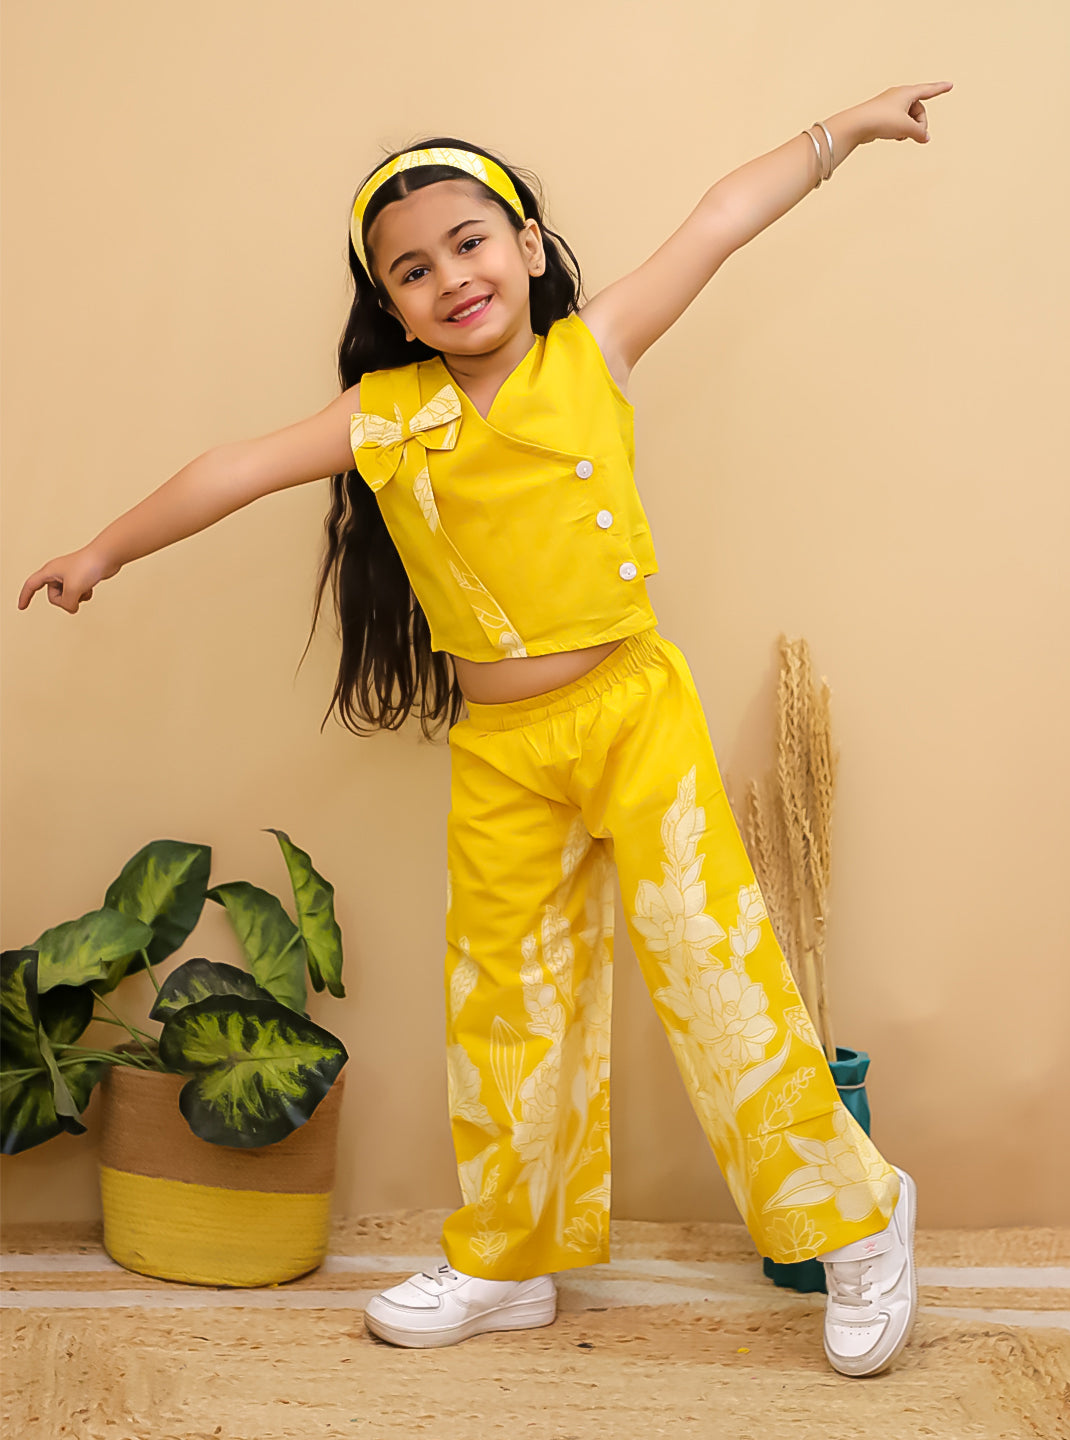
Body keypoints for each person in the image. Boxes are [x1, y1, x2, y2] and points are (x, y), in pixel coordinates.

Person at [18, 80, 952, 1377]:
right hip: (504, 753)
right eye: (413, 269)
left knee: (715, 976)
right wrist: (103, 550)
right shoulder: (386, 415)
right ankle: (511, 1257)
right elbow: (232, 468)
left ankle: (855, 1217)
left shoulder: (593, 349)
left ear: (527, 245)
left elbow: (719, 219)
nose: (451, 277)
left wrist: (839, 133)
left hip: (633, 715)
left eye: (469, 243)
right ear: (390, 305)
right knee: (506, 1003)